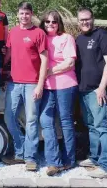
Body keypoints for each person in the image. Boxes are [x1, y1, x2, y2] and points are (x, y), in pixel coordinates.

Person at [2, 2, 48, 171]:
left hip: (32, 84)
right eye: (21, 13)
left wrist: (40, 85)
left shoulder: (38, 33)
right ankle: (20, 149)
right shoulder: (13, 32)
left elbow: (44, 60)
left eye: (27, 13)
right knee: (9, 117)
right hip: (14, 82)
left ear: (31, 14)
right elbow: (8, 55)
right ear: (18, 14)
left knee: (31, 121)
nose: (24, 16)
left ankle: (30, 158)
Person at [75, 7, 107, 178]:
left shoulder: (103, 36)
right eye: (81, 20)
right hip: (84, 90)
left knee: (103, 126)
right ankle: (95, 157)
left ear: (93, 19)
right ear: (78, 22)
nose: (85, 22)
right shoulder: (78, 39)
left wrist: (101, 87)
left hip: (98, 90)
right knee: (92, 126)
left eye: (87, 19)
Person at [38, 10, 78, 176]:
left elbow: (69, 63)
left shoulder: (66, 38)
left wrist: (48, 71)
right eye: (47, 21)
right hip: (47, 86)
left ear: (59, 23)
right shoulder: (42, 37)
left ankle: (69, 160)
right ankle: (54, 161)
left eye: (54, 22)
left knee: (65, 121)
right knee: (45, 119)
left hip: (65, 85)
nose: (50, 24)